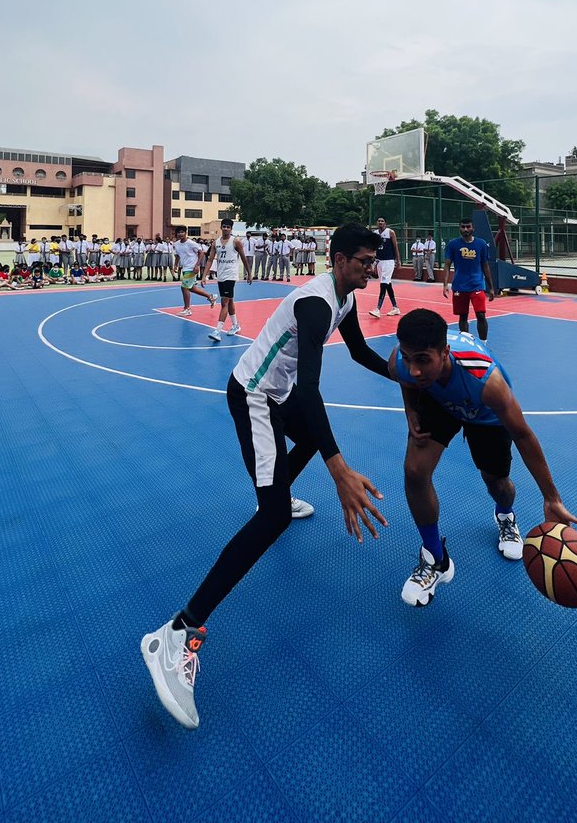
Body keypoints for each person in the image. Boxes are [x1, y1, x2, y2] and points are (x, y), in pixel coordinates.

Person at [141, 223, 392, 729]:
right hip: (255, 396)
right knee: (273, 514)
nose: (372, 269)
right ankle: (177, 632)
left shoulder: (344, 300)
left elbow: (362, 353)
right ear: (339, 258)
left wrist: (410, 378)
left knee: (308, 445)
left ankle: (281, 491)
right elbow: (312, 390)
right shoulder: (317, 302)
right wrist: (338, 467)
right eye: (365, 261)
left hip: (280, 396)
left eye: (373, 262)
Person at [389, 308, 577, 607]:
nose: (414, 369)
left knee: (497, 482)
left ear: (445, 352)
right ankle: (435, 558)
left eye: (423, 360)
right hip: (437, 400)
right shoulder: (403, 363)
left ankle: (505, 515)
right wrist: (411, 409)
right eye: (408, 358)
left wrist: (551, 497)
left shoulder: (486, 381)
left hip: (483, 414)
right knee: (415, 471)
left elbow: (523, 435)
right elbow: (405, 378)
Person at [442, 219, 496, 340]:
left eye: (468, 227)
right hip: (459, 286)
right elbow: (447, 265)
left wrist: (491, 287)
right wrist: (445, 285)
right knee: (463, 316)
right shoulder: (453, 244)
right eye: (463, 227)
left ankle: (483, 344)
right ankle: (467, 343)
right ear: (459, 228)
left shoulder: (481, 244)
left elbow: (485, 266)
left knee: (481, 315)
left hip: (477, 285)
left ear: (473, 228)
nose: (465, 229)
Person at [204, 219, 252, 341]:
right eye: (224, 226)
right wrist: (204, 275)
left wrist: (249, 273)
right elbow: (210, 259)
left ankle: (217, 331)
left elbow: (243, 258)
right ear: (221, 227)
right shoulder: (216, 243)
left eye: (228, 227)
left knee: (224, 302)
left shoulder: (236, 241)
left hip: (231, 275)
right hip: (221, 275)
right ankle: (236, 325)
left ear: (231, 229)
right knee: (229, 301)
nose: (226, 229)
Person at [172, 226, 217, 315]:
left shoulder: (191, 243)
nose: (180, 234)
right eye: (179, 232)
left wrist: (197, 265)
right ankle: (210, 296)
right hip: (185, 267)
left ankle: (187, 309)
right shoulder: (176, 244)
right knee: (191, 288)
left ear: (186, 233)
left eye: (182, 232)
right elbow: (177, 255)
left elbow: (201, 252)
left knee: (184, 287)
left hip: (192, 268)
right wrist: (175, 265)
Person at [369, 216, 401, 318]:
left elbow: (395, 246)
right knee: (387, 284)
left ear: (385, 223)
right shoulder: (375, 233)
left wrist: (398, 260)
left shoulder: (390, 232)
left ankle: (378, 309)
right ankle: (395, 308)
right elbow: (373, 247)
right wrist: (372, 261)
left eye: (382, 221)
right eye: (378, 221)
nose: (380, 222)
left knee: (383, 284)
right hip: (379, 261)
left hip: (389, 261)